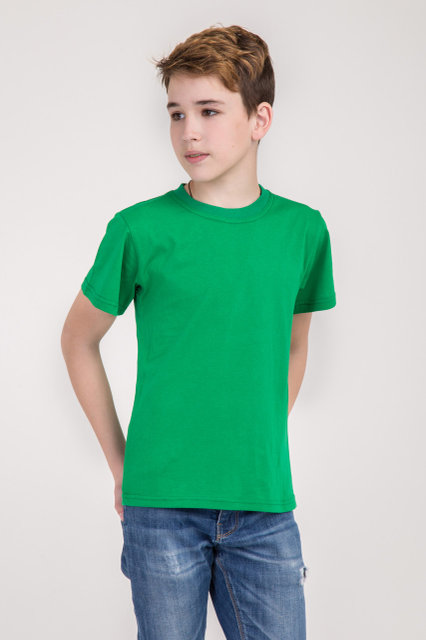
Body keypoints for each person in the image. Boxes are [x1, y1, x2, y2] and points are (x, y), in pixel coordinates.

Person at [61, 23, 336, 640]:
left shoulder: (302, 231)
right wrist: (121, 465)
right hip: (160, 507)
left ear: (260, 119)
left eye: (209, 111)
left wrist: (255, 436)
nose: (189, 131)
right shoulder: (140, 229)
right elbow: (77, 340)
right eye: (176, 113)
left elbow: (295, 344)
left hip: (263, 505)